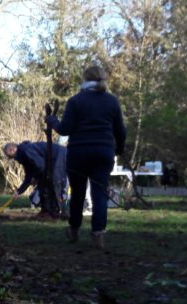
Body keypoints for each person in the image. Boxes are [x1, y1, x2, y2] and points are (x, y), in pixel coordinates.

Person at [46, 65, 127, 249]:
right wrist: (119, 149)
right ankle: (98, 234)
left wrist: (51, 121)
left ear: (85, 79)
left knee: (78, 193)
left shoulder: (75, 101)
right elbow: (120, 131)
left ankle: (74, 229)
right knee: (99, 193)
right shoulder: (112, 101)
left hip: (78, 153)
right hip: (103, 152)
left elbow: (64, 129)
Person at [2, 141, 68, 207]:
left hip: (59, 155)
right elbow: (29, 175)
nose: (13, 159)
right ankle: (47, 210)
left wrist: (36, 178)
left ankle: (59, 209)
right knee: (44, 184)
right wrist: (19, 191)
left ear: (12, 150)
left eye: (10, 156)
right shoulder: (23, 154)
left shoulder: (26, 151)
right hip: (56, 158)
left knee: (54, 182)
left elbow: (41, 166)